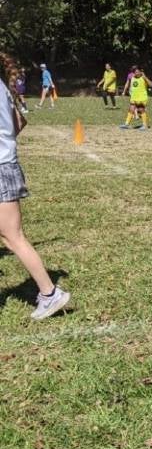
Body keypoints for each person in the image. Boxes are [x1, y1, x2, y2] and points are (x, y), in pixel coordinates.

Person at [0, 53, 71, 320]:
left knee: (12, 237)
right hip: (7, 165)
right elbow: (20, 122)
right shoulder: (3, 88)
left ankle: (50, 294)